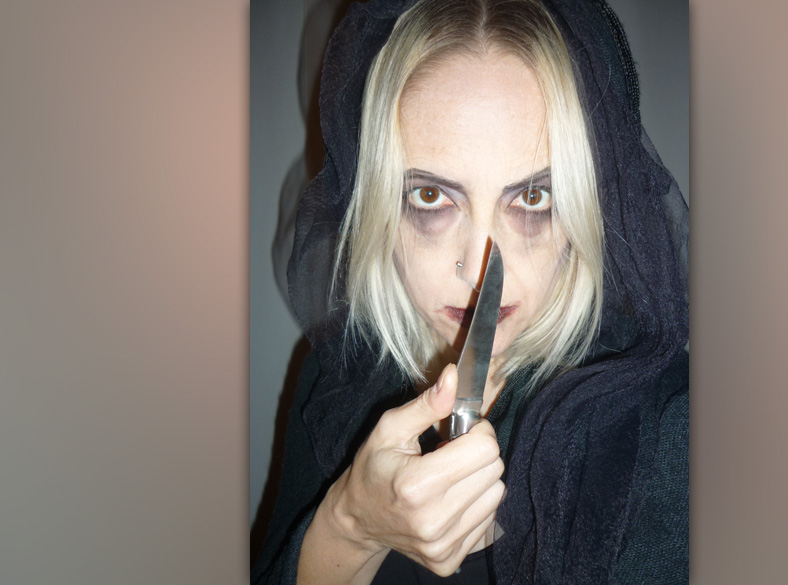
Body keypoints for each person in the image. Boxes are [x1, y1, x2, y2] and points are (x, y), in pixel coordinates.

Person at [252, 0, 689, 583]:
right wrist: (350, 526)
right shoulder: (335, 378)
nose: (479, 270)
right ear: (380, 203)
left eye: (532, 198)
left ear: (584, 208)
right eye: (431, 197)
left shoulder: (667, 426)